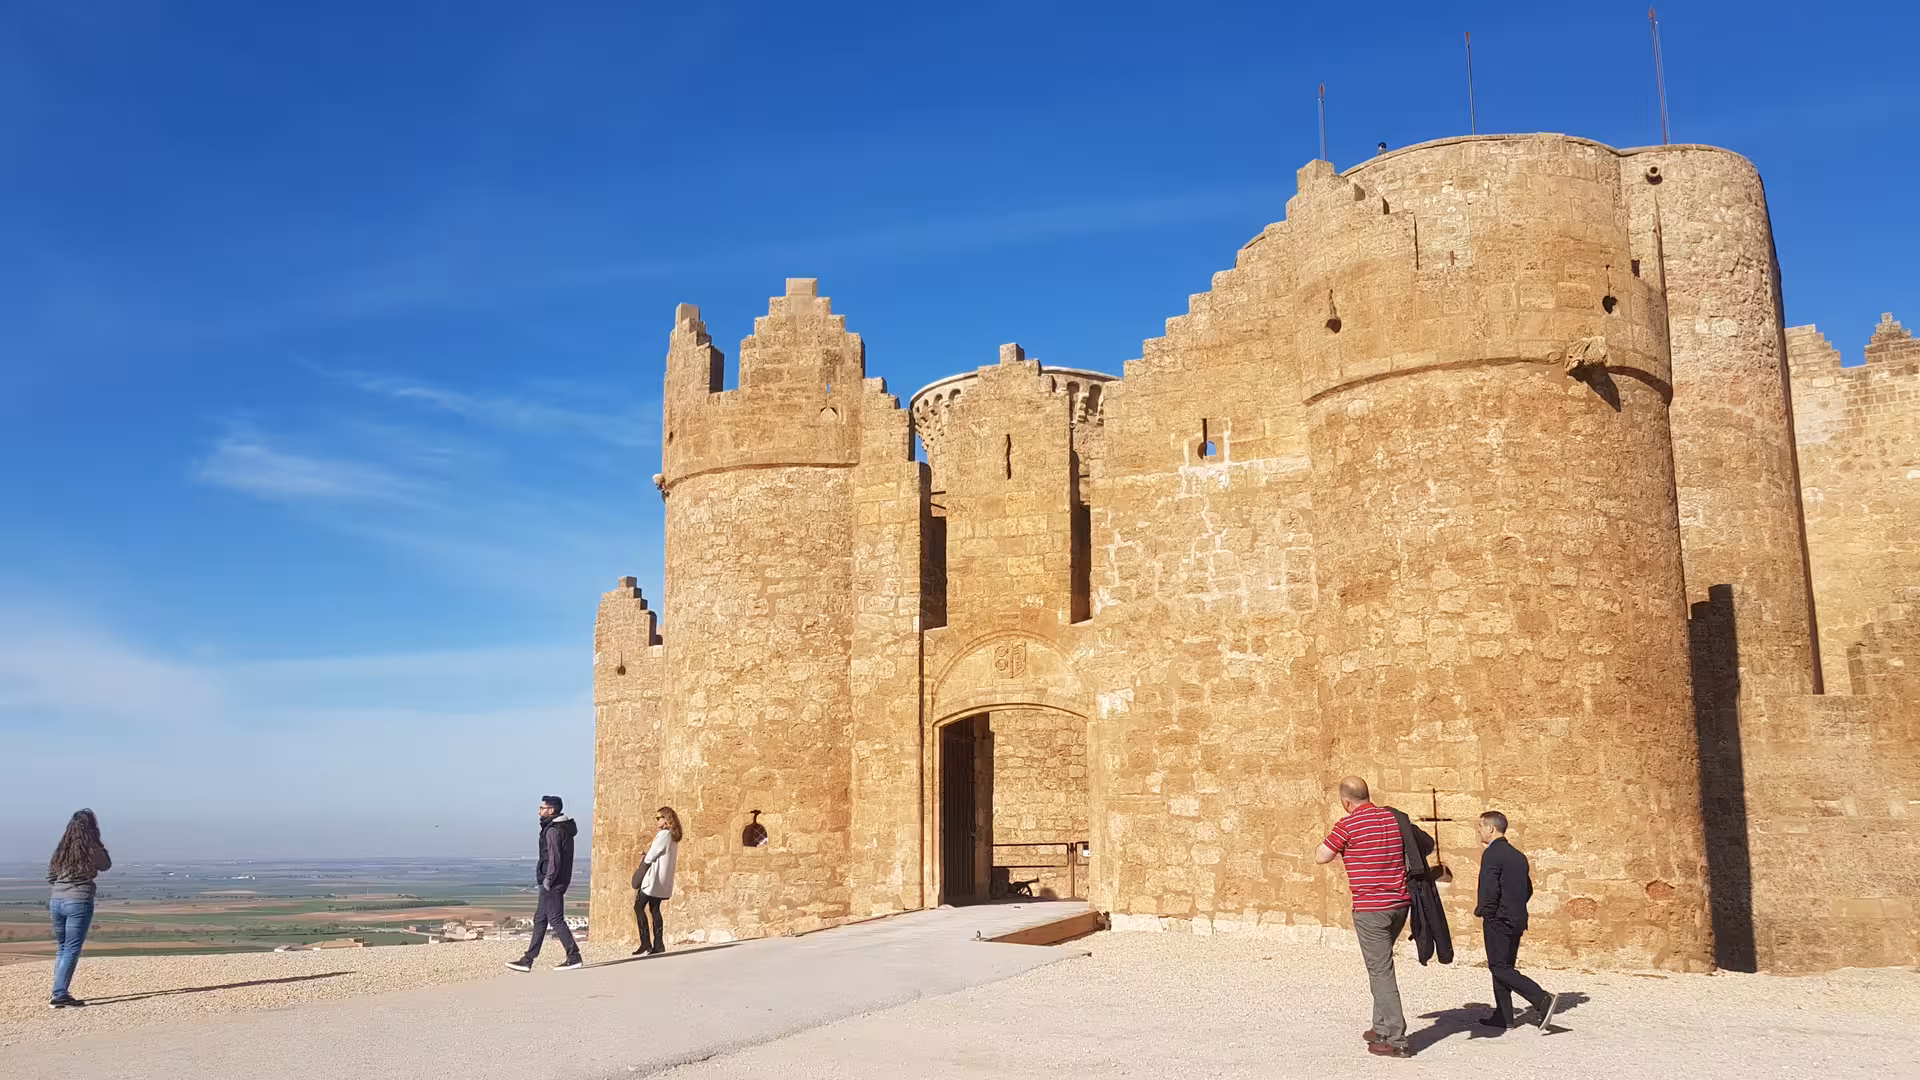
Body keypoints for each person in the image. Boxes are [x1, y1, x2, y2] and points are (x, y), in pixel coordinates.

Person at [1315, 776, 1431, 1059]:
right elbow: (1423, 845)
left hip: (1371, 909)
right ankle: (1380, 1027)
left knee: (1380, 971)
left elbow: (1322, 856)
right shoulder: (1393, 819)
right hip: (1399, 905)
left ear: (1345, 801)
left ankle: (1395, 1037)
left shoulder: (1348, 824)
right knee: (1381, 966)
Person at [1473, 810, 1561, 1032]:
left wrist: (1486, 911)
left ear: (1491, 828)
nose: (1479, 830)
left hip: (1499, 918)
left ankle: (1542, 999)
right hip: (1517, 917)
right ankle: (1503, 1015)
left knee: (1499, 966)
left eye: (1481, 826)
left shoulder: (1492, 854)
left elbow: (1489, 888)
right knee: (1504, 965)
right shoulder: (1518, 856)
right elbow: (1527, 888)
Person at [506, 796, 582, 972]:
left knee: (555, 918)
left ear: (551, 810)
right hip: (555, 880)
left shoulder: (553, 831)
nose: (539, 811)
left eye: (542, 808)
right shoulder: (561, 828)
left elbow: (554, 858)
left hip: (552, 882)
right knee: (540, 919)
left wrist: (548, 880)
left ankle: (574, 956)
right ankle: (528, 960)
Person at [45, 809, 112, 1008]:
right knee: (72, 949)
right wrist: (99, 843)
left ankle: (59, 990)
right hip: (79, 900)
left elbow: (50, 877)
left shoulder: (61, 850)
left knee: (63, 947)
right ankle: (59, 994)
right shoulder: (92, 847)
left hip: (56, 900)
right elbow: (105, 865)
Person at [630, 806, 682, 956]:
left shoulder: (664, 835)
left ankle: (645, 943)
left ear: (666, 819)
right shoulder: (673, 836)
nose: (657, 820)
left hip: (653, 878)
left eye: (659, 818)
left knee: (638, 907)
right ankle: (658, 944)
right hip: (662, 879)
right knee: (654, 909)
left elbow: (653, 854)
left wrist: (644, 861)